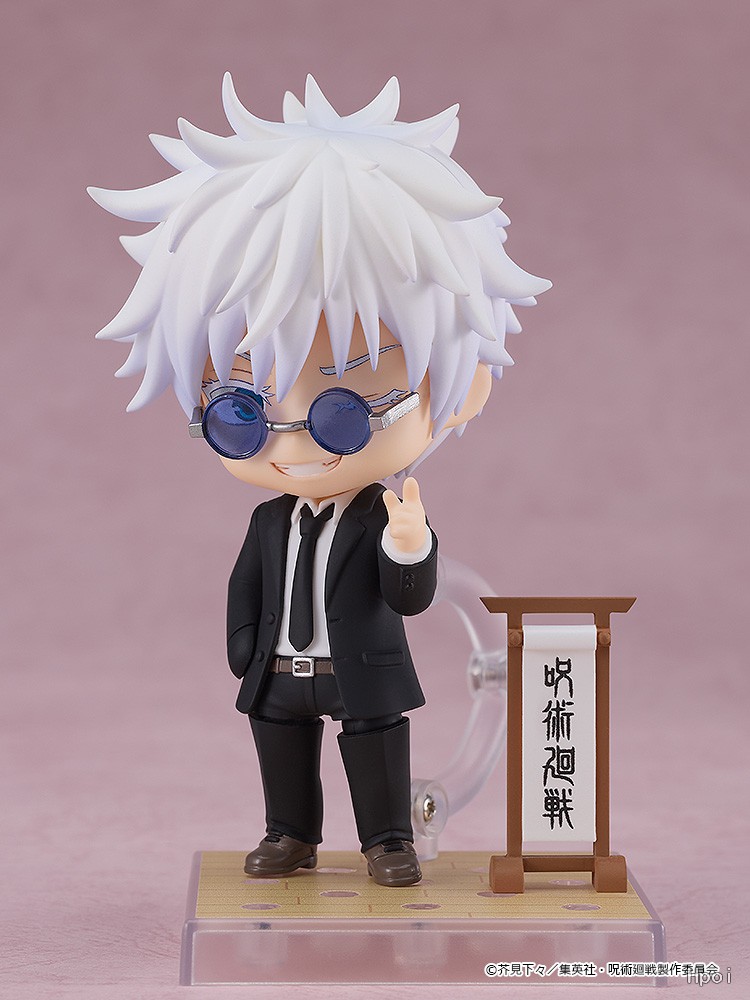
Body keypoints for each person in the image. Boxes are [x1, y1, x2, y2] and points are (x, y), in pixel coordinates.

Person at [89, 73, 549, 886]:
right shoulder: (269, 523)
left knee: (374, 748)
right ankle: (290, 834)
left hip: (362, 671)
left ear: (467, 384)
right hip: (280, 671)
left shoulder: (382, 515)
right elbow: (245, 584)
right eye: (242, 412)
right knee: (281, 751)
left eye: (344, 412)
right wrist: (246, 649)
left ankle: (387, 839)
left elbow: (410, 599)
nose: (295, 441)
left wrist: (409, 545)